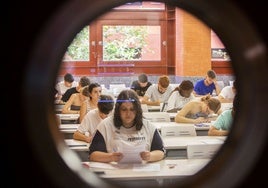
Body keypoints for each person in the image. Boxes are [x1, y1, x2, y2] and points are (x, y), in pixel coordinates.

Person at [88, 89, 165, 163]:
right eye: (124, 109)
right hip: (114, 171)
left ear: (137, 110)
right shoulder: (105, 125)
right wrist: (110, 157)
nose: (128, 114)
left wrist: (150, 156)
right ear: (118, 110)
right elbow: (93, 155)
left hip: (142, 171)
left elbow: (160, 152)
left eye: (132, 109)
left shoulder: (148, 126)